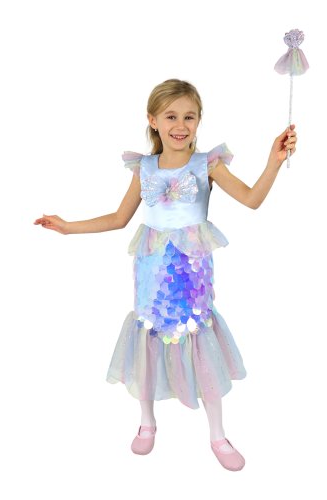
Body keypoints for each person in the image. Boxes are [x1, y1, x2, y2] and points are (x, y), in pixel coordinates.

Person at [34, 78, 297, 471]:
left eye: (189, 116)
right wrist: (69, 227)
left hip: (192, 272)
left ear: (199, 120)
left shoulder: (207, 165)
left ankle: (217, 434)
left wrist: (273, 161)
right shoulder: (144, 168)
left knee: (198, 336)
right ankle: (147, 422)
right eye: (171, 116)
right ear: (153, 120)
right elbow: (119, 218)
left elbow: (252, 199)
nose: (180, 125)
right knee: (149, 336)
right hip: (152, 271)